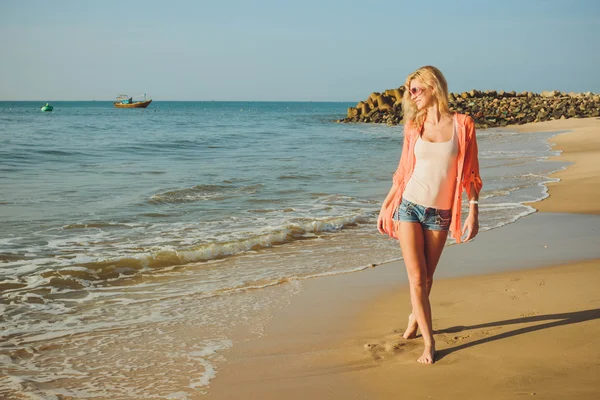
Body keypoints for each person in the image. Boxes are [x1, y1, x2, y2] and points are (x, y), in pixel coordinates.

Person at [377, 66, 482, 364]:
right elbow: (402, 172)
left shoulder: (463, 125)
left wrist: (473, 212)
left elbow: (471, 176)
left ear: (433, 86)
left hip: (440, 214)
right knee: (418, 279)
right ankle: (429, 343)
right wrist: (386, 205)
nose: (411, 95)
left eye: (415, 89)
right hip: (408, 206)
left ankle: (414, 317)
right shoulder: (414, 126)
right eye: (409, 90)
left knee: (427, 277)